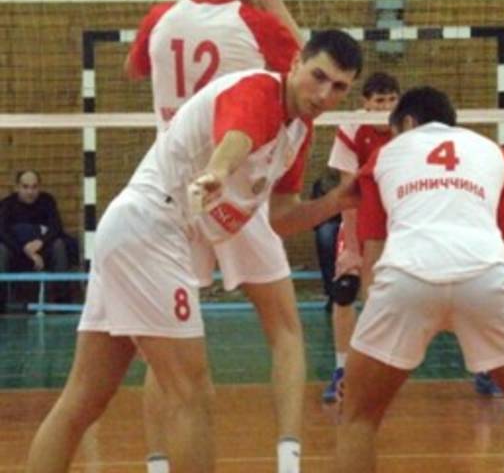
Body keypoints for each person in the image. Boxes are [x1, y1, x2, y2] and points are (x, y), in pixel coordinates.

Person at [24, 29, 363, 473]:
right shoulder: (258, 91)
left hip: (131, 233)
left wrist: (336, 202)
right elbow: (235, 139)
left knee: (84, 398)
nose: (323, 94)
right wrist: (218, 172)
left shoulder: (298, 131)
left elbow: (281, 218)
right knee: (192, 393)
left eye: (338, 87)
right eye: (318, 76)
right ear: (296, 62)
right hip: (152, 229)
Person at [124, 0, 306, 473]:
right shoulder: (256, 23)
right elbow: (307, 70)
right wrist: (274, 1)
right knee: (285, 330)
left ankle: (158, 465)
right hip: (235, 189)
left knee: (165, 346)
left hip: (171, 194)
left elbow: (135, 68)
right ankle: (289, 460)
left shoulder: (160, 18)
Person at [335, 86, 504, 473]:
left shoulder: (382, 156)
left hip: (407, 276)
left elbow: (373, 256)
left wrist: (366, 346)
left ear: (407, 123)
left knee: (357, 418)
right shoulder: (496, 154)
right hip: (486, 276)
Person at [321, 71, 400, 403]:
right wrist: (352, 249)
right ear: (365, 103)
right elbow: (348, 192)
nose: (386, 108)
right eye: (379, 101)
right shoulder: (351, 127)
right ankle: (343, 370)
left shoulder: (408, 127)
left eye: (391, 100)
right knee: (345, 289)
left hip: (402, 219)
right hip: (362, 215)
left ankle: (486, 367)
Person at [0, 170, 75, 304]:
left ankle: (62, 303)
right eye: (25, 187)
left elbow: (56, 227)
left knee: (59, 245)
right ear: (17, 187)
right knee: (1, 250)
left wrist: (41, 242)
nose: (30, 192)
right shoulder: (7, 204)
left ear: (39, 187)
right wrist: (26, 251)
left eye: (34, 187)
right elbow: (2, 232)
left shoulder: (47, 201)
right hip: (17, 253)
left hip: (43, 252)